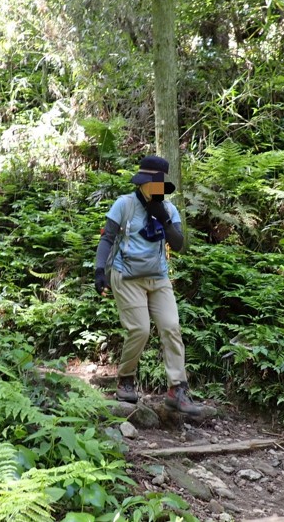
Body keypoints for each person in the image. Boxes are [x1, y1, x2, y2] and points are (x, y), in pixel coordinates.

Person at [94, 155, 201, 415]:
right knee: (140, 330)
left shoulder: (169, 209)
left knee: (171, 327)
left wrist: (162, 216)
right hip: (126, 276)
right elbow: (108, 238)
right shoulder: (125, 204)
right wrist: (99, 270)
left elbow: (177, 244)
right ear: (141, 182)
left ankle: (177, 389)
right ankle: (126, 379)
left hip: (158, 278)